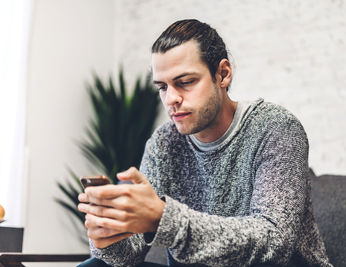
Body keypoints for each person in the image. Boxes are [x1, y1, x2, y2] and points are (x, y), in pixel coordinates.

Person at [78, 19, 332, 267]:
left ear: (223, 74)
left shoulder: (275, 128)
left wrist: (164, 218)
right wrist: (107, 236)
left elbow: (274, 243)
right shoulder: (164, 143)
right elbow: (128, 258)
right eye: (162, 87)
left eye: (185, 82)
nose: (171, 99)